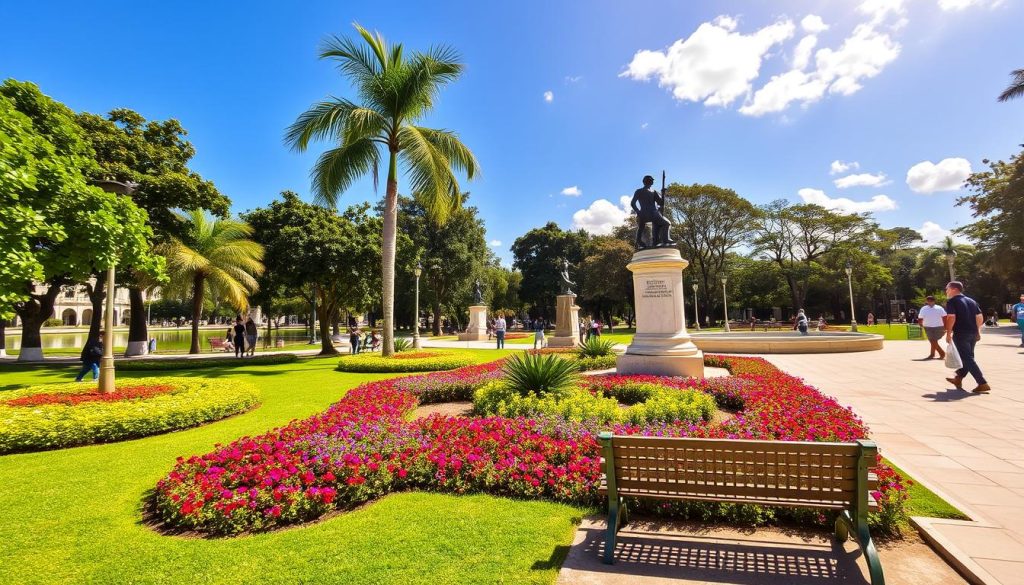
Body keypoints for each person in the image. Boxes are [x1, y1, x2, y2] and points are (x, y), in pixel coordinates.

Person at [944, 281, 990, 393]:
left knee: (967, 358)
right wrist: (977, 331)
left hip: (961, 333)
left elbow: (951, 318)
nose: (946, 291)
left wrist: (948, 333)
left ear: (954, 289)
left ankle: (982, 383)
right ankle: (958, 378)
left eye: (947, 289)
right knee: (967, 357)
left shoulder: (952, 301)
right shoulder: (971, 301)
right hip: (972, 333)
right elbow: (979, 317)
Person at [917, 295, 947, 360]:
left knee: (934, 341)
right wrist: (920, 323)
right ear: (926, 301)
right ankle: (935, 354)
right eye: (928, 301)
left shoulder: (939, 308)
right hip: (928, 327)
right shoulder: (924, 308)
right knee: (932, 341)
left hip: (939, 326)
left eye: (931, 300)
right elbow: (920, 317)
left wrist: (945, 326)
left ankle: (939, 353)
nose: (930, 302)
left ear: (934, 301)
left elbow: (944, 317)